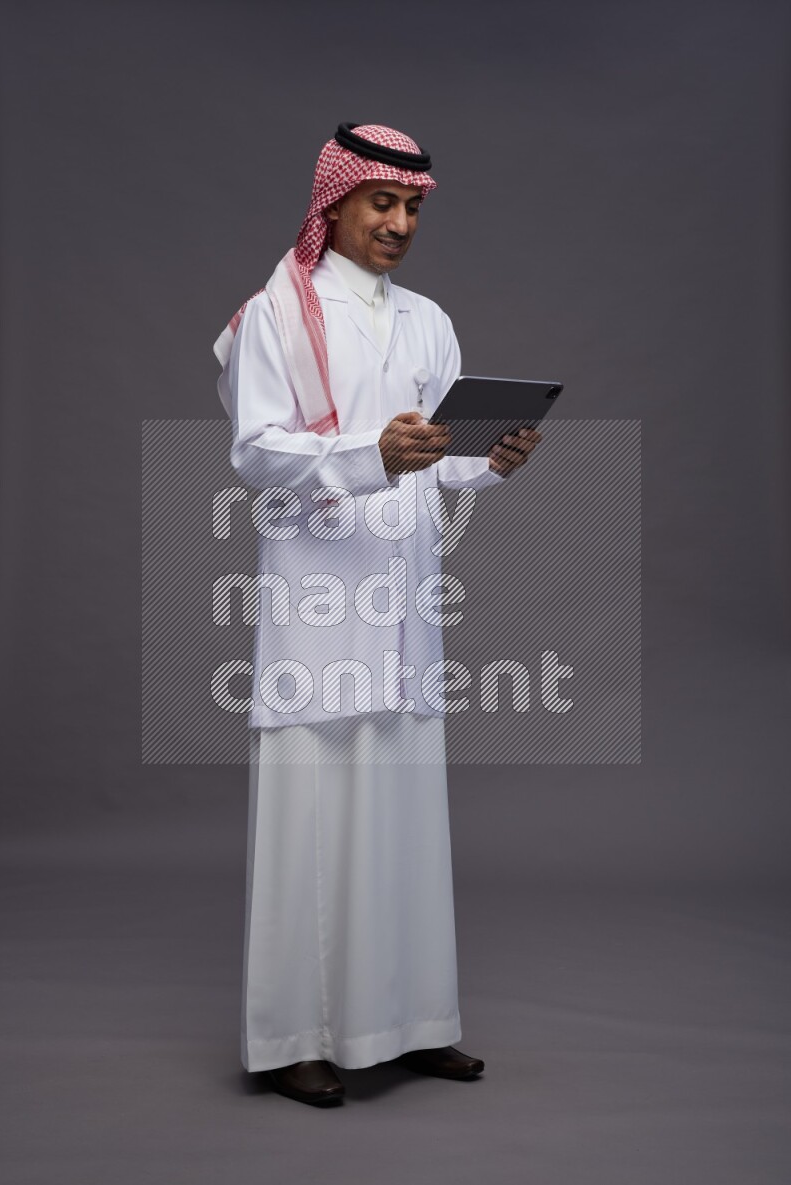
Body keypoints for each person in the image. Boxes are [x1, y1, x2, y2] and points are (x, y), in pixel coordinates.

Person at [213, 122, 540, 1106]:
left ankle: (410, 1024)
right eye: (381, 203)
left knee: (403, 818)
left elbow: (442, 457)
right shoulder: (276, 315)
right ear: (336, 203)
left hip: (403, 602)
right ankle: (295, 1040)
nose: (399, 223)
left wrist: (491, 460)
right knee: (312, 818)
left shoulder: (427, 321)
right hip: (317, 605)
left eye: (411, 207)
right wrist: (370, 456)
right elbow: (256, 451)